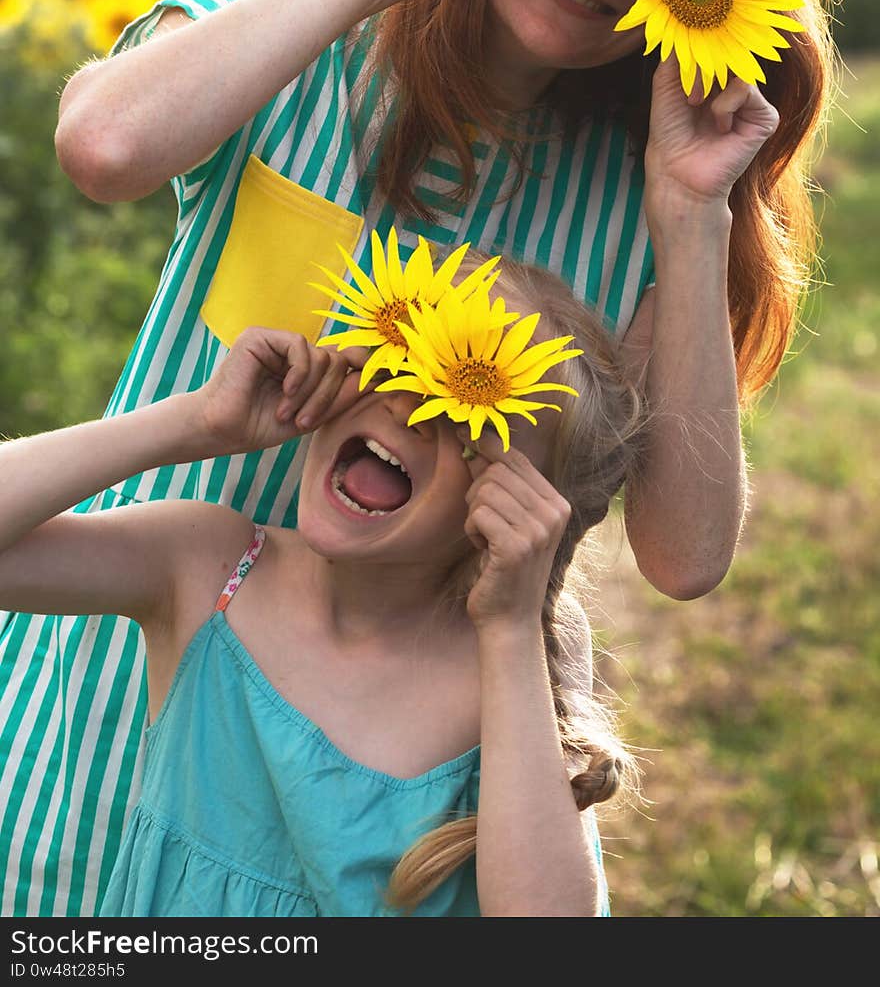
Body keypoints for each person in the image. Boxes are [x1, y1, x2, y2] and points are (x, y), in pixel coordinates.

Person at [0, 0, 833, 915]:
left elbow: (685, 555)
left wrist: (693, 213)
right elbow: (105, 144)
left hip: (392, 816)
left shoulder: (636, 200)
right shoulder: (296, 25)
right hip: (110, 695)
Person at [0, 253, 643, 917]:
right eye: (395, 356)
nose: (407, 408)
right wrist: (192, 423)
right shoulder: (212, 571)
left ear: (533, 506)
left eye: (469, 407)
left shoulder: (509, 669)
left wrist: (510, 631)